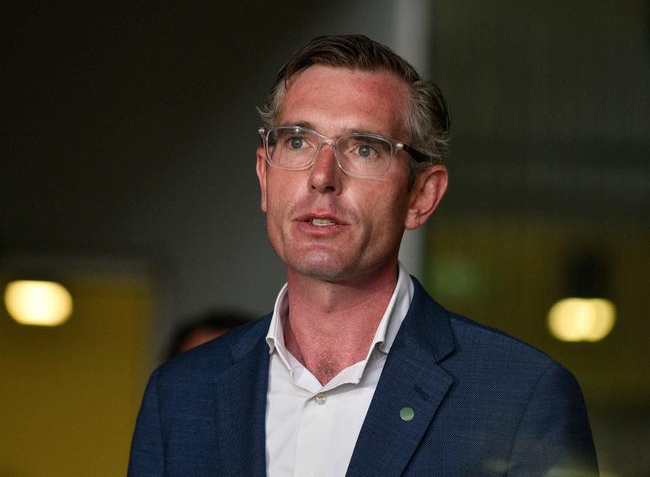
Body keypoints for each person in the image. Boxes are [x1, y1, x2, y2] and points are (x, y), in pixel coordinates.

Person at [128, 35, 599, 476]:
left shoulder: (519, 396)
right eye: (297, 142)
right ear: (264, 176)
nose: (322, 176)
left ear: (421, 196)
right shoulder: (179, 395)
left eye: (365, 149)